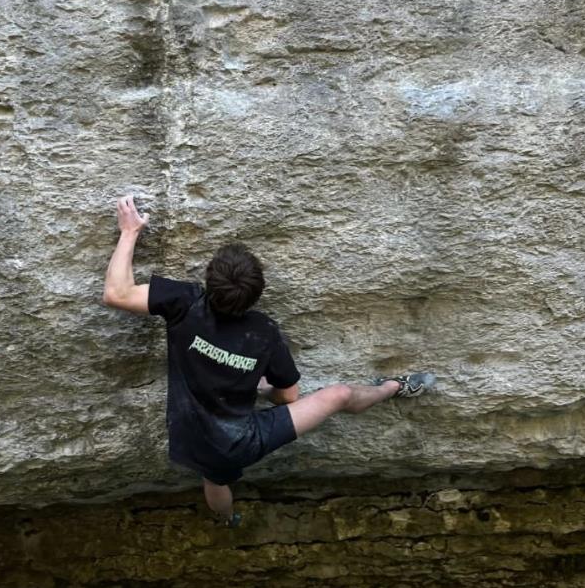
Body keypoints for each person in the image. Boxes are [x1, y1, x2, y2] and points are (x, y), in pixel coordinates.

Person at [103, 195, 434, 527]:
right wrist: (260, 389)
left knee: (216, 481)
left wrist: (129, 231)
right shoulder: (264, 333)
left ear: (209, 281)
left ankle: (227, 520)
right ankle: (393, 387)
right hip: (240, 439)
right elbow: (288, 397)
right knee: (339, 396)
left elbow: (116, 293)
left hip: (194, 435)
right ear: (256, 295)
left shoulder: (185, 303)